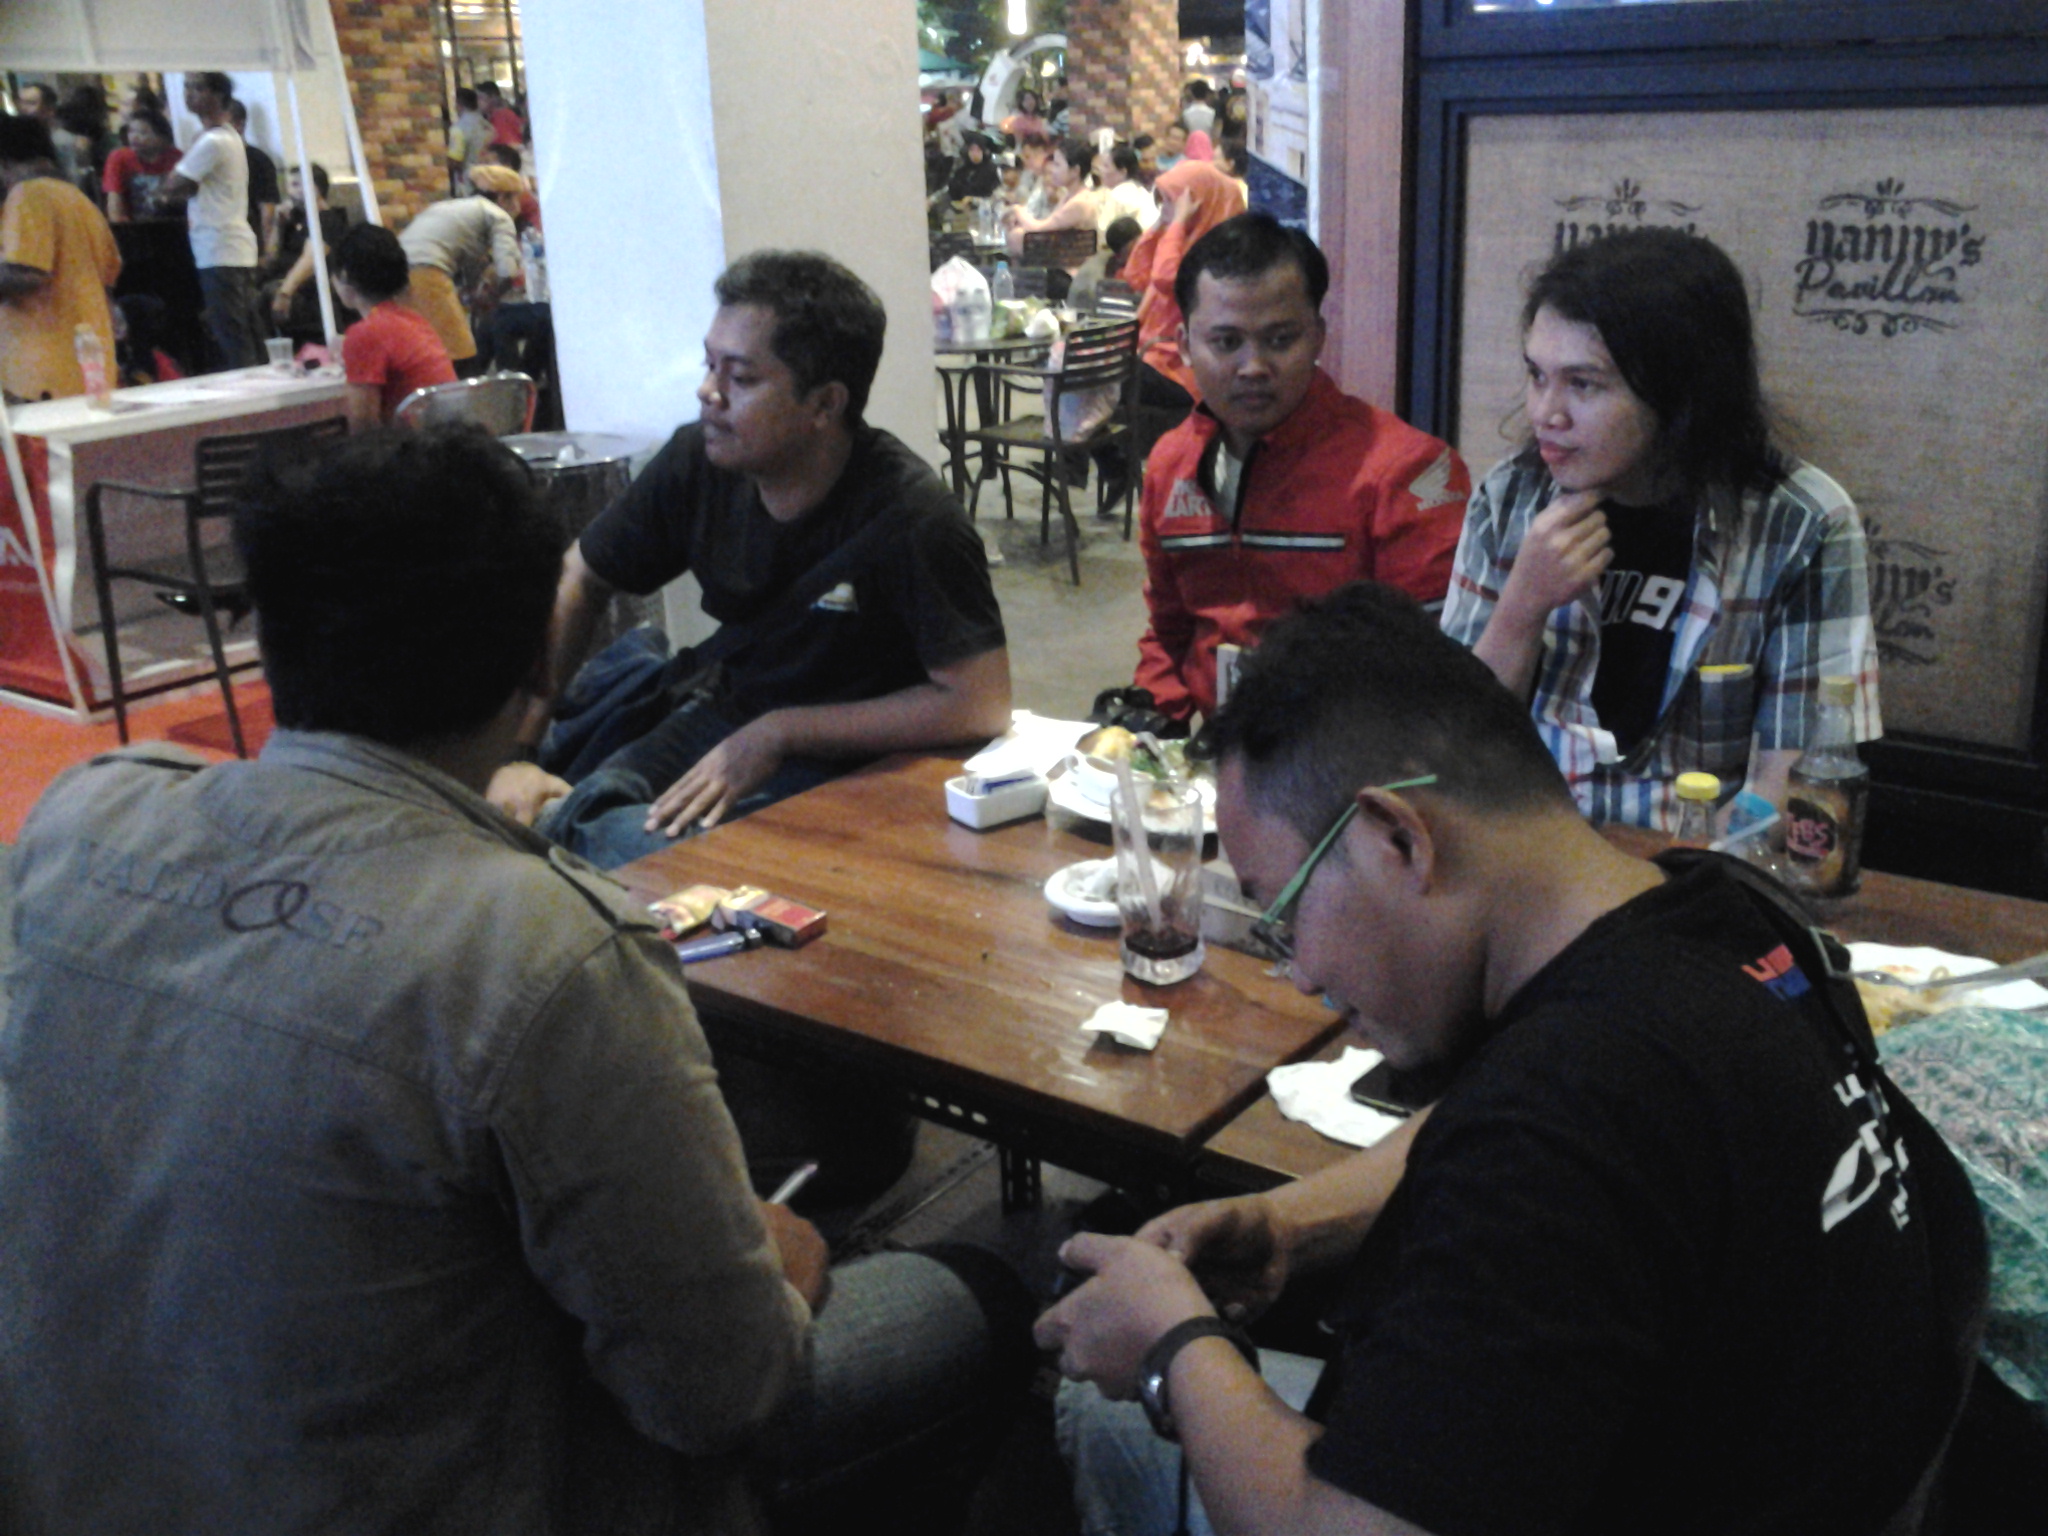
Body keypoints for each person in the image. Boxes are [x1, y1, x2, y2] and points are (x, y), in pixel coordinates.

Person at [0, 423, 1031, 1535]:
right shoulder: (544, 952)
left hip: (94, 1472)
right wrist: (783, 1262)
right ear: (541, 663)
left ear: (270, 638)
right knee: (981, 1290)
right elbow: (723, 1391)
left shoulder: (81, 816)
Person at [1041, 582, 1985, 1536]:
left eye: (1281, 915)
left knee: (1097, 1411)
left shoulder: (1560, 1118)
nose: (1302, 974)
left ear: (1398, 839)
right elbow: (1481, 1131)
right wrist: (1292, 1222)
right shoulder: (1717, 913)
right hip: (1807, 1465)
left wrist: (1173, 1348)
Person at [486, 249, 1011, 870]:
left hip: (854, 755)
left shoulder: (912, 517)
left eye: (740, 378)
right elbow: (582, 574)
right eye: (710, 365)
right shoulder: (699, 460)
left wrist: (783, 730)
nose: (708, 392)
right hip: (727, 711)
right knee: (575, 815)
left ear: (825, 405)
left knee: (637, 852)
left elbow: (979, 701)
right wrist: (518, 752)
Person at [1441, 227, 1878, 829]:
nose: (1545, 413)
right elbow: (1453, 748)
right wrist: (1522, 607)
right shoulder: (1510, 498)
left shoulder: (1803, 524)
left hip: (1697, 856)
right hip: (1532, 845)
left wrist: (1696, 867)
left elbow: (1797, 777)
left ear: (1680, 393)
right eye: (1538, 376)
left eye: (1583, 384)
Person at [1133, 214, 1470, 729]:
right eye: (1226, 342)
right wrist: (1153, 723)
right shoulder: (1170, 462)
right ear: (1183, 346)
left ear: (1317, 337)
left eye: (1279, 339)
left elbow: (1431, 670)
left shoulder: (1407, 472)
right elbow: (1169, 629)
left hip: (1355, 753)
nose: (1253, 366)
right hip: (1214, 753)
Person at [1114, 158, 1245, 460]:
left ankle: (1089, 465)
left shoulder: (1219, 253)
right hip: (1153, 356)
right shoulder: (1181, 242)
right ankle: (1104, 465)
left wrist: (1175, 225)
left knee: (1091, 373)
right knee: (1079, 368)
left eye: (1175, 202)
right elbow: (1136, 275)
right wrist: (1161, 224)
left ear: (1200, 204)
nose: (1170, 209)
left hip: (1180, 369)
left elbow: (1166, 280)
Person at [0, 114, 121, 403]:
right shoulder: (77, 198)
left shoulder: (28, 195)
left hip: (41, 373)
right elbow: (110, 271)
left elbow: (29, 274)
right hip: (88, 367)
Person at [155, 71, 264, 371]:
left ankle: (250, 393)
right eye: (186, 87)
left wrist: (168, 189)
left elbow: (174, 185)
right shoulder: (226, 137)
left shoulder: (213, 141)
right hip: (229, 246)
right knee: (245, 333)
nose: (189, 94)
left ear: (218, 95)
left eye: (198, 88)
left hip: (220, 246)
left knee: (233, 337)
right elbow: (188, 186)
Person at [394, 165, 524, 371]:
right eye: (515, 198)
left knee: (423, 347)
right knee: (459, 350)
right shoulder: (498, 215)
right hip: (425, 272)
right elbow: (507, 270)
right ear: (502, 197)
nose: (518, 206)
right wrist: (495, 291)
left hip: (396, 273)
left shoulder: (454, 207)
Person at [331, 223, 455, 427]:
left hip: (416, 443)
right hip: (446, 437)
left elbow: (364, 426)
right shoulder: (415, 321)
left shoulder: (365, 334)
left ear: (344, 276)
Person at [263, 161, 353, 343]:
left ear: (316, 188)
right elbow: (271, 257)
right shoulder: (295, 222)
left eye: (297, 184)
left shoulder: (327, 220)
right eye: (290, 186)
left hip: (312, 297)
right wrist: (277, 226)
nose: (290, 192)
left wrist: (285, 292)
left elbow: (310, 259)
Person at [1003, 138, 1105, 269]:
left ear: (1075, 171)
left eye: (1057, 165)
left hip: (1068, 270)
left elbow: (1038, 228)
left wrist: (1017, 209)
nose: (1053, 171)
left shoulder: (1080, 202)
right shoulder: (1070, 195)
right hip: (1058, 262)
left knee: (1016, 236)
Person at [101, 108, 180, 222]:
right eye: (131, 131)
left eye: (143, 133)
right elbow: (114, 201)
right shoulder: (119, 157)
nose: (134, 137)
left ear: (162, 138)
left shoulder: (176, 158)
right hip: (133, 225)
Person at [226, 97, 279, 260]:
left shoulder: (259, 160)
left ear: (239, 124)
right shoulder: (212, 160)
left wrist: (265, 250)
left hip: (249, 241)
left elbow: (268, 211)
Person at [1096, 144, 1158, 234]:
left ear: (1122, 171)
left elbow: (1104, 231)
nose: (1101, 170)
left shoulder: (1117, 195)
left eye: (1106, 166)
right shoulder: (1140, 189)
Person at [446, 85, 491, 192]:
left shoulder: (459, 129)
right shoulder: (488, 126)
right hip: (489, 178)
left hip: (468, 182)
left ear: (459, 105)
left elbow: (455, 160)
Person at [946, 132, 1000, 202]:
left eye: (978, 150)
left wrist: (972, 198)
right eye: (972, 150)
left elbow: (991, 193)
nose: (974, 153)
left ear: (984, 152)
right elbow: (953, 189)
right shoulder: (962, 170)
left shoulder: (992, 170)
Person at [477, 78, 525, 147]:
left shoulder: (503, 116)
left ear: (493, 97)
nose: (477, 102)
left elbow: (509, 142)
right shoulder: (487, 118)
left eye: (480, 98)